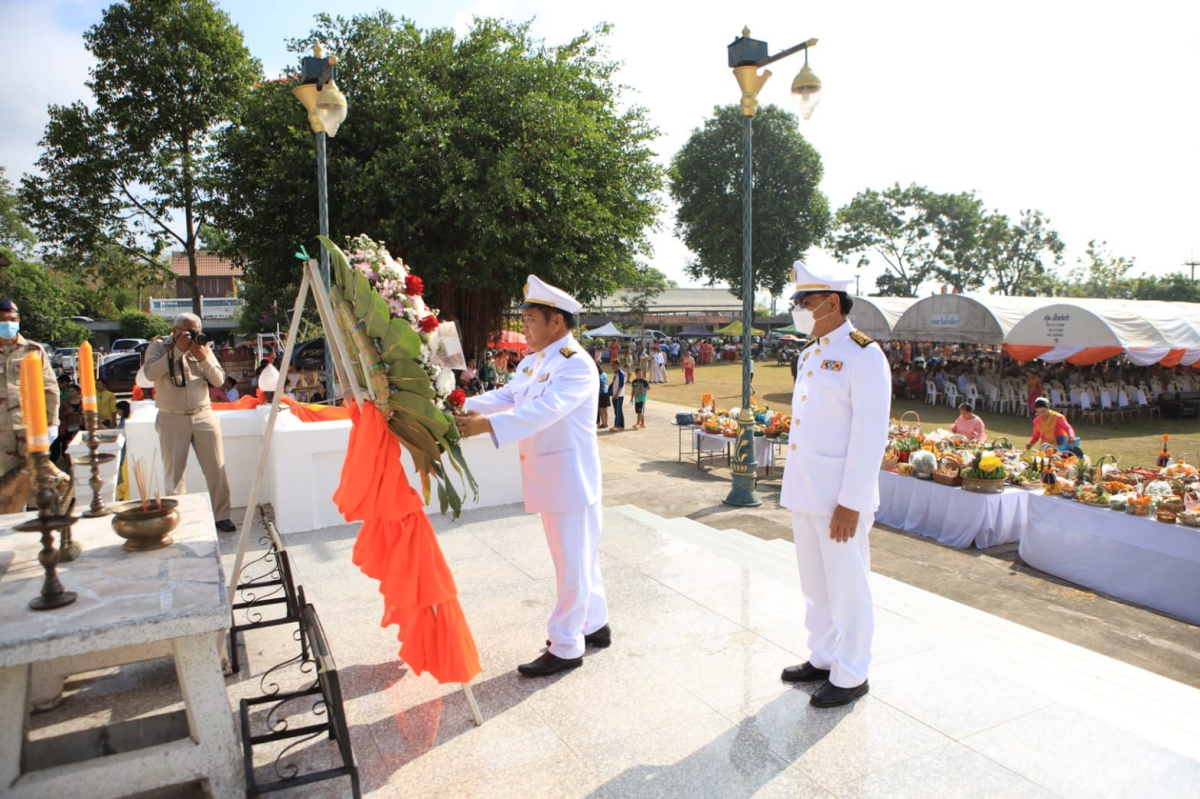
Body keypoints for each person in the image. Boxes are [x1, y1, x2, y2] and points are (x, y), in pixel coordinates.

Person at [456, 275, 608, 677]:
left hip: (569, 477)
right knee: (578, 557)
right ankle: (595, 624)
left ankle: (566, 645)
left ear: (556, 322)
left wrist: (486, 426)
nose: (523, 326)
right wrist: (455, 404)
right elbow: (506, 397)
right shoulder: (532, 362)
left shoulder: (576, 365)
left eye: (529, 319)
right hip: (551, 474)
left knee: (571, 562)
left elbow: (546, 411)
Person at [779, 261, 889, 709]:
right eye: (799, 303)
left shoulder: (864, 355)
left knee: (847, 584)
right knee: (815, 583)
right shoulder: (809, 352)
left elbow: (870, 435)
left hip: (839, 496)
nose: (800, 310)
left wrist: (852, 502)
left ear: (831, 302)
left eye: (805, 302)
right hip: (806, 488)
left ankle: (852, 671)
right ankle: (823, 656)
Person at [143, 313, 236, 533]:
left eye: (198, 331)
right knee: (174, 474)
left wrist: (202, 356)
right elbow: (150, 374)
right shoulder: (158, 347)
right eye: (189, 331)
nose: (195, 336)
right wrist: (177, 352)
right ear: (175, 331)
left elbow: (219, 380)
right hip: (171, 416)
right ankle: (178, 516)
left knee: (216, 469)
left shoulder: (203, 347)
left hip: (203, 414)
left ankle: (222, 515)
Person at [0, 299, 60, 485]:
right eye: (2, 320)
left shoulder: (33, 351)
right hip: (2, 431)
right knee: (8, 486)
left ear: (18, 321)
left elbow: (50, 389)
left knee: (37, 481)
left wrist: (52, 423)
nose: (7, 324)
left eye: (12, 319)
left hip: (31, 427)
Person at [610, 361, 626, 431]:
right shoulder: (615, 373)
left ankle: (616, 425)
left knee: (618, 410)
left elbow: (621, 385)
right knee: (618, 410)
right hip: (615, 394)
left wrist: (617, 394)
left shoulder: (620, 373)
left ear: (617, 365)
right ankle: (621, 425)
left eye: (613, 365)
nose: (612, 367)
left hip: (619, 395)